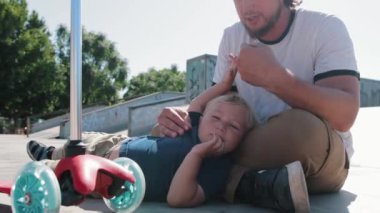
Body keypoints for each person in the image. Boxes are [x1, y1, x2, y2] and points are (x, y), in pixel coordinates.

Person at [155, 0, 360, 212]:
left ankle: (215, 178)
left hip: (314, 156)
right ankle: (247, 184)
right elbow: (222, 107)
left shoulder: (325, 27)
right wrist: (186, 115)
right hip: (247, 143)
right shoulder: (232, 37)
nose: (246, 6)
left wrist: (277, 79)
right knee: (172, 128)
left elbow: (344, 116)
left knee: (303, 131)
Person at [26, 59, 257, 207]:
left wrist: (197, 154)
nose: (221, 127)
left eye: (233, 127)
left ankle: (44, 168)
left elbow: (177, 198)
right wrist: (223, 86)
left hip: (112, 178)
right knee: (83, 141)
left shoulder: (217, 167)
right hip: (118, 144)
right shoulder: (194, 128)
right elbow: (197, 104)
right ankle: (51, 151)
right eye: (216, 118)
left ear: (243, 138)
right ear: (204, 117)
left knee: (66, 173)